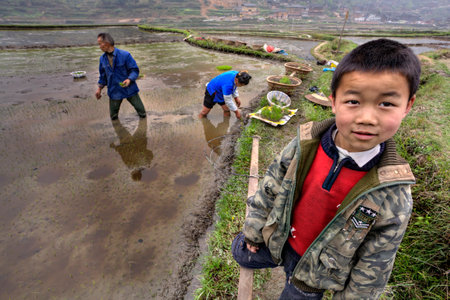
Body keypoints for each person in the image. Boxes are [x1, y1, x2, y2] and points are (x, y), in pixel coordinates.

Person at [232, 38, 421, 299]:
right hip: (279, 239)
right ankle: (264, 251)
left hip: (315, 275)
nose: (366, 117)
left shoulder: (393, 193)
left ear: (407, 106)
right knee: (241, 250)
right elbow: (270, 186)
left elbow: (376, 263)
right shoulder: (304, 145)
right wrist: (254, 231)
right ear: (333, 101)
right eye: (353, 101)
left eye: (386, 104)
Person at [95, 32, 146, 120]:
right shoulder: (102, 59)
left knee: (142, 113)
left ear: (106, 43)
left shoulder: (125, 55)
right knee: (113, 117)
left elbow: (134, 70)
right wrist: (99, 89)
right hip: (114, 90)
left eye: (100, 44)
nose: (99, 46)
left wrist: (129, 79)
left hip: (129, 88)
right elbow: (103, 76)